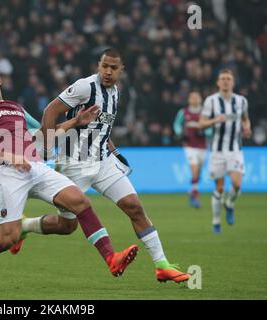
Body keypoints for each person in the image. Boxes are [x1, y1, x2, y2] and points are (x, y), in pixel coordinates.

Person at [12, 48, 190, 283]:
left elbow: (102, 127)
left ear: (121, 70)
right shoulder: (85, 87)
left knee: (135, 207)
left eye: (113, 68)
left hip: (103, 162)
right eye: (104, 66)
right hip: (73, 164)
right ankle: (26, 225)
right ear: (99, 65)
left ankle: (162, 265)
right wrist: (45, 146)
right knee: (67, 226)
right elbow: (51, 110)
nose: (108, 72)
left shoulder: (115, 93)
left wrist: (114, 151)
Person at [0, 65, 138, 291]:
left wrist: (75, 122)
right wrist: (11, 157)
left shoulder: (16, 108)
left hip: (35, 166)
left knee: (79, 203)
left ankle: (111, 258)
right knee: (8, 238)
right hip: (9, 173)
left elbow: (43, 135)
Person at [199, 69, 252, 234]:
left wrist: (247, 127)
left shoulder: (241, 101)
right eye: (222, 79)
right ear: (218, 82)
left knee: (236, 184)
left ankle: (229, 205)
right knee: (219, 188)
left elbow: (245, 118)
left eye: (228, 79)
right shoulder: (211, 101)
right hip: (217, 151)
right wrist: (216, 119)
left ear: (233, 82)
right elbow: (201, 123)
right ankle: (216, 221)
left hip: (235, 150)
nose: (225, 81)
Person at [173, 91, 210, 208]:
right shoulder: (184, 112)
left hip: (203, 146)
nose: (194, 99)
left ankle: (192, 191)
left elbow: (211, 127)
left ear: (200, 99)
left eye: (196, 97)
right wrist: (180, 133)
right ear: (189, 100)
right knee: (194, 169)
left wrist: (205, 131)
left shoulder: (206, 113)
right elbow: (177, 125)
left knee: (197, 172)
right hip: (189, 146)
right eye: (192, 97)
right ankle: (195, 195)